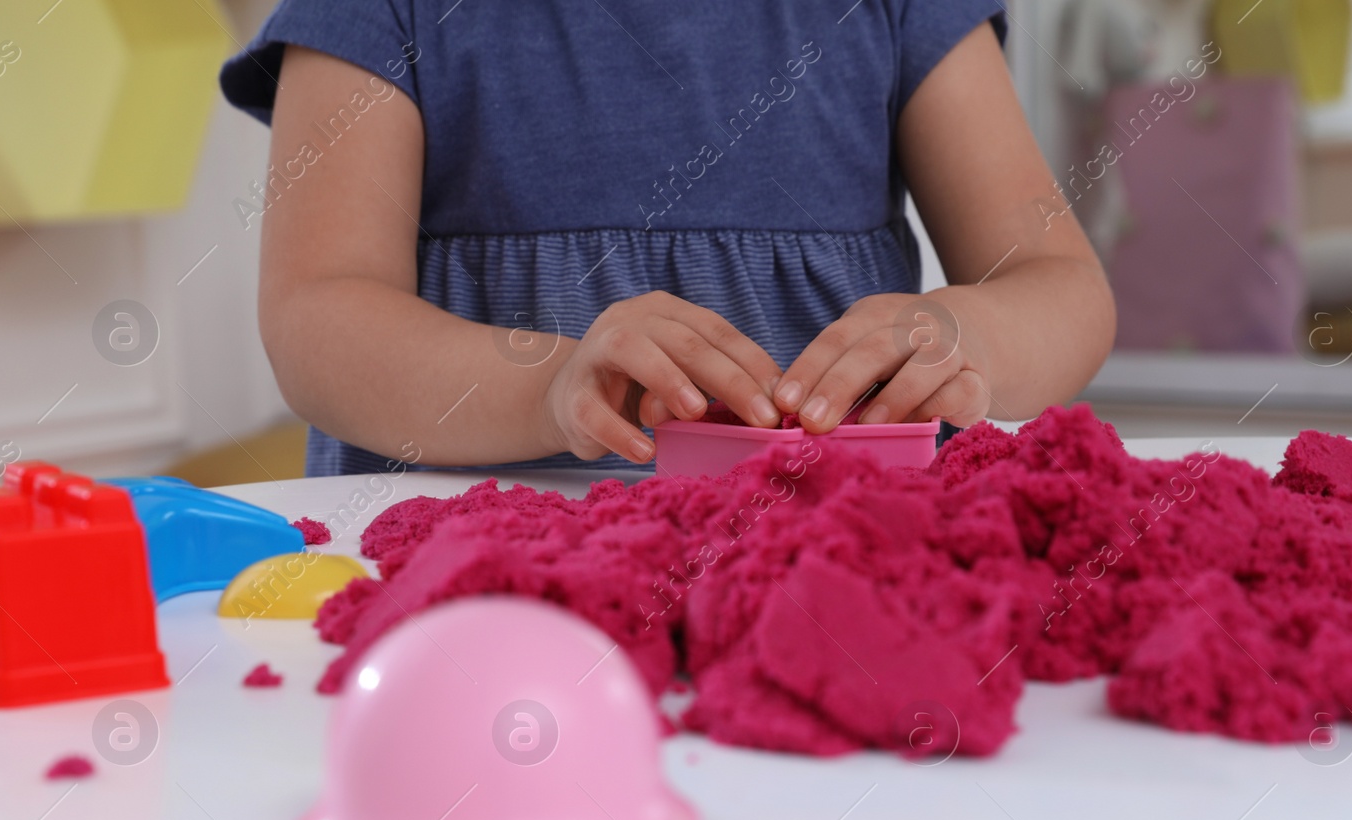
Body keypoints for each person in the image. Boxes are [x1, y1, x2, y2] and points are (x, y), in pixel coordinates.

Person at [220, 1, 1114, 476]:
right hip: (479, 610)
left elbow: (1058, 284)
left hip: (844, 582)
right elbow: (318, 316)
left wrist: (969, 338)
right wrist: (546, 390)